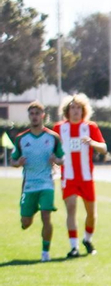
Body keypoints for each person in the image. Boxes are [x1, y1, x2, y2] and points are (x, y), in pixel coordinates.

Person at [57, 94, 106, 257]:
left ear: (83, 110)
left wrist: (92, 143)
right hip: (68, 177)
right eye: (72, 108)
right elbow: (53, 151)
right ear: (67, 110)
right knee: (71, 210)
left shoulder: (90, 127)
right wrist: (54, 160)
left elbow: (104, 148)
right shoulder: (59, 128)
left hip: (86, 178)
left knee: (91, 214)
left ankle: (87, 239)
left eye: (78, 108)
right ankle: (74, 247)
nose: (75, 111)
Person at [16, 102, 62, 263]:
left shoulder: (52, 137)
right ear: (29, 116)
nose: (34, 116)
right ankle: (30, 211)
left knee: (46, 216)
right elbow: (13, 161)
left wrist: (55, 159)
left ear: (43, 116)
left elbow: (62, 158)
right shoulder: (22, 138)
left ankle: (45, 252)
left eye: (37, 113)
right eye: (32, 113)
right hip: (29, 186)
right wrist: (18, 162)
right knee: (25, 223)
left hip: (46, 184)